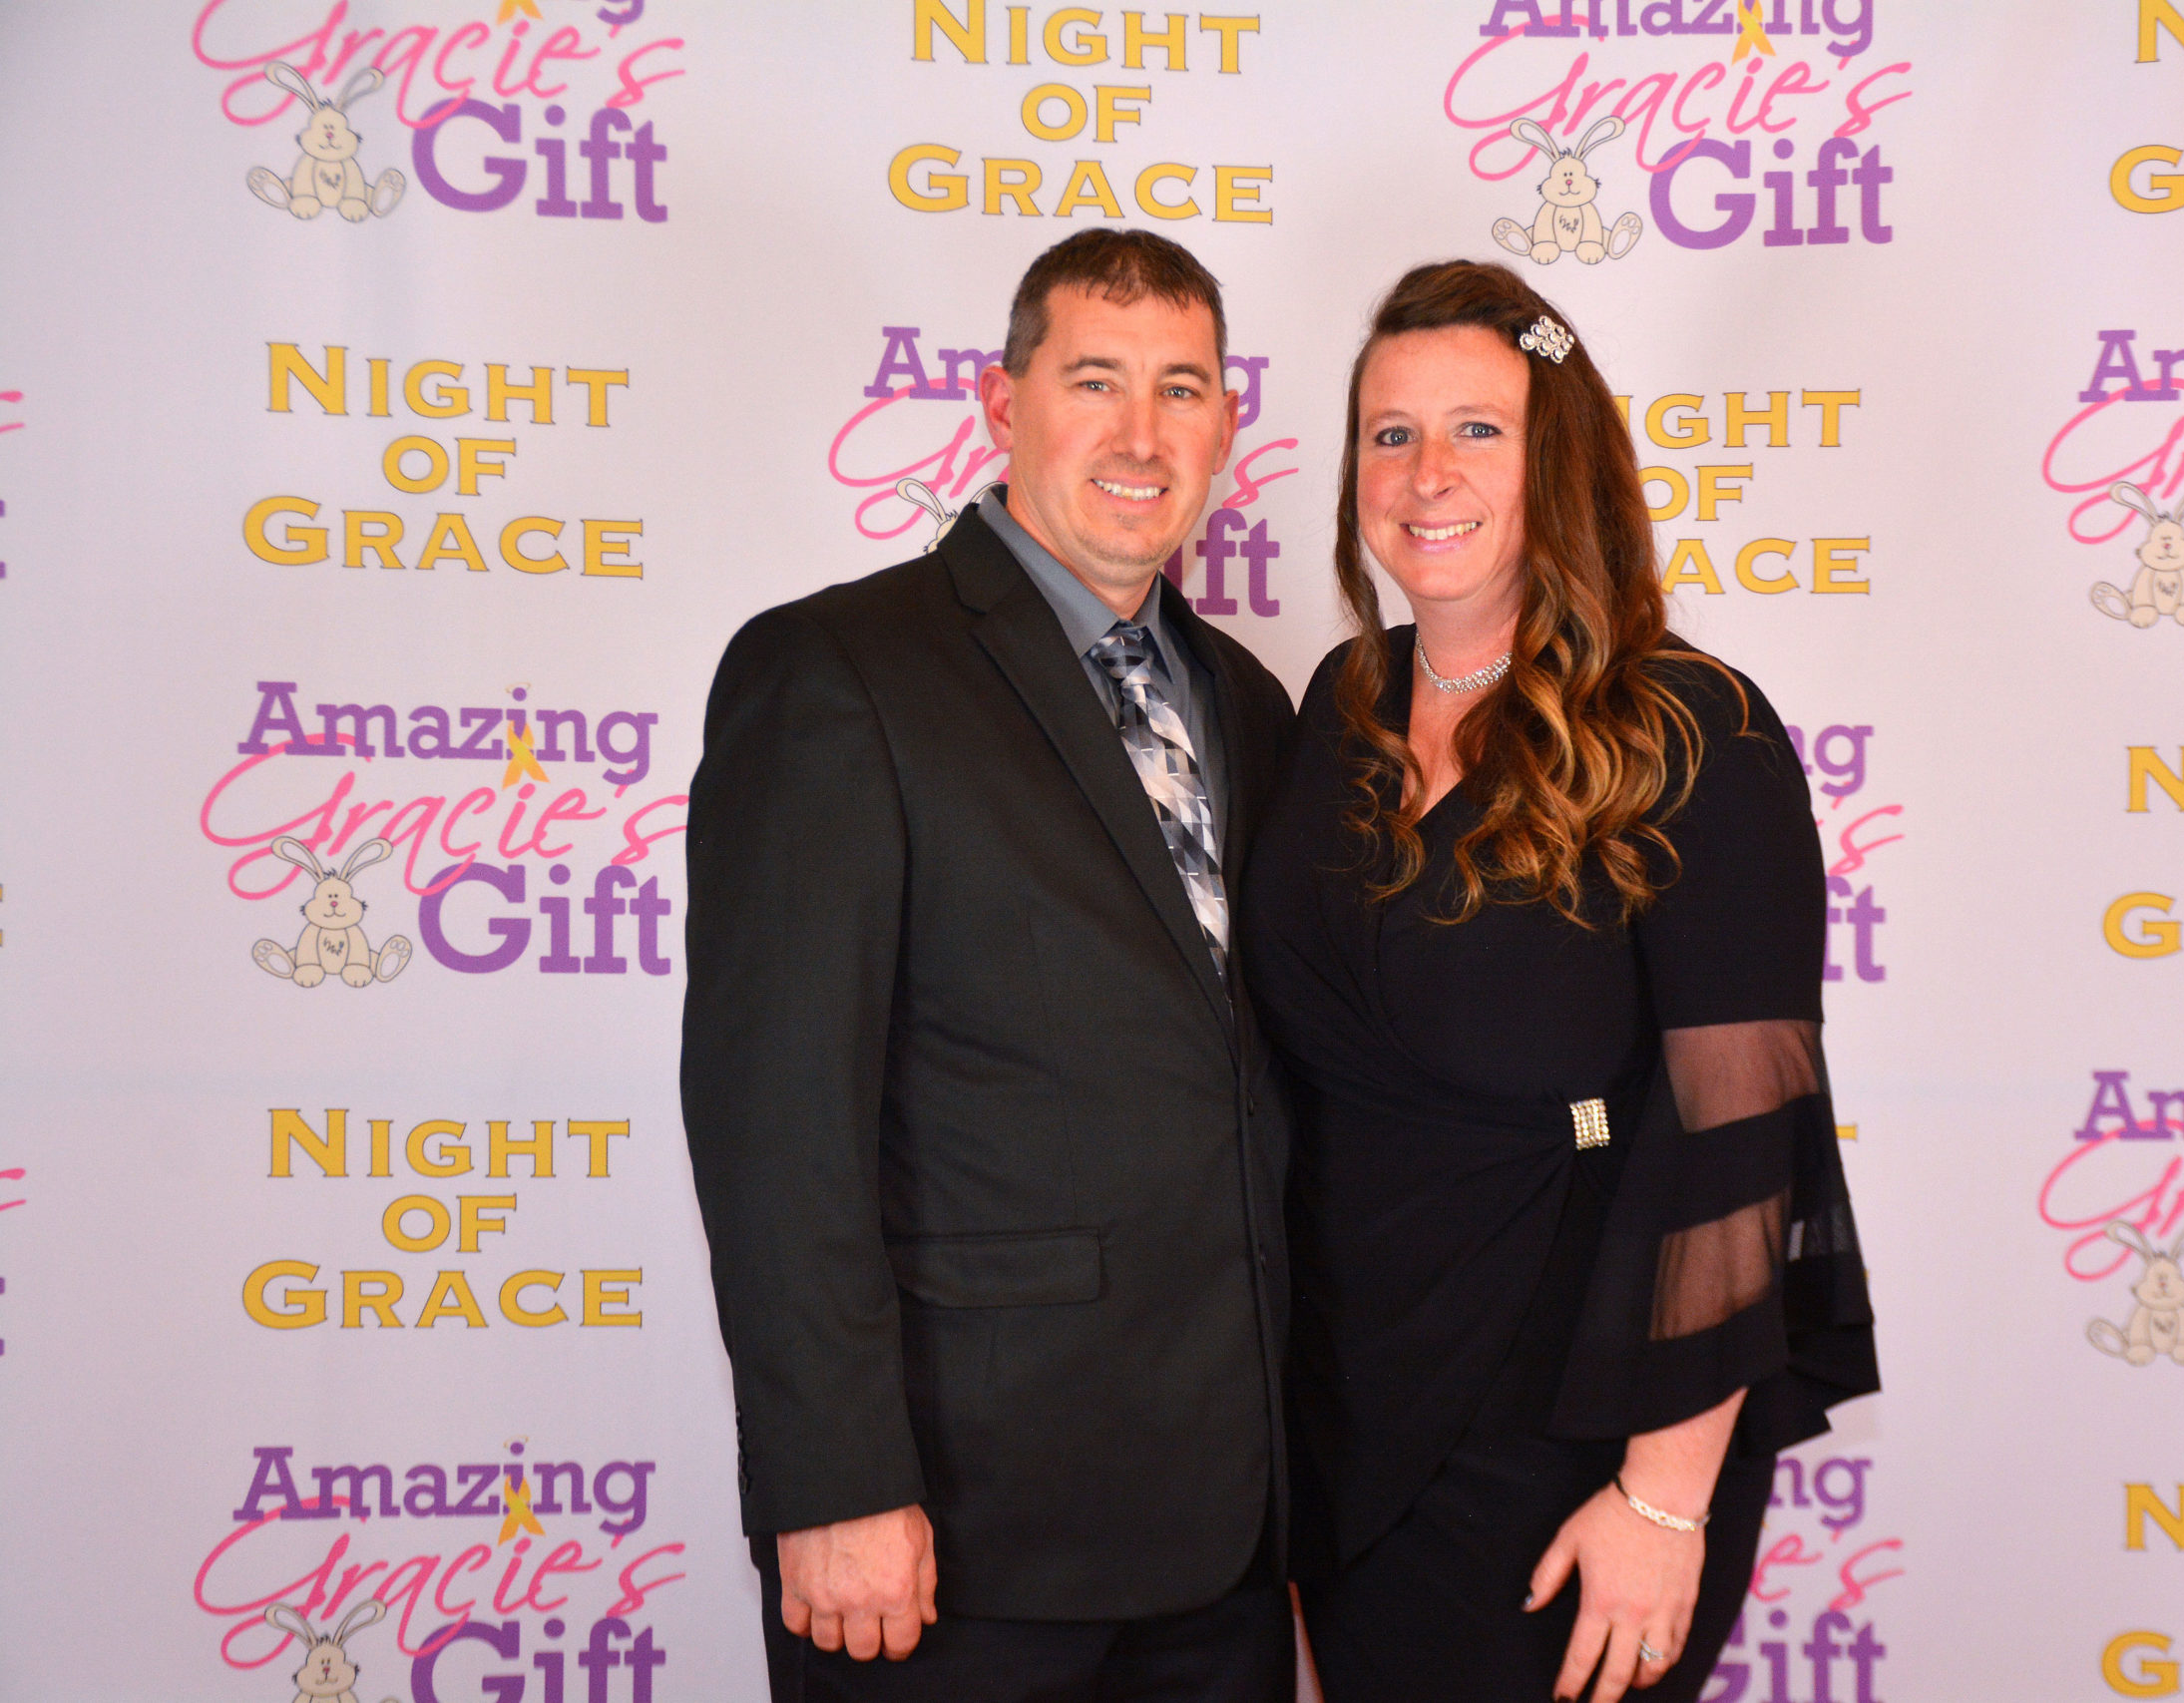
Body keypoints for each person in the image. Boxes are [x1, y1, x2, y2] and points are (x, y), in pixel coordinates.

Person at [1240, 260, 1879, 1703]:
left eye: (1479, 428)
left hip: (1579, 1433)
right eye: (1391, 433)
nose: (1427, 473)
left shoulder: (1691, 731)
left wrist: (1665, 1498)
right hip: (1345, 1410)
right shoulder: (1335, 713)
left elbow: (1742, 1131)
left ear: (1563, 458)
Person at [681, 228, 1299, 1703]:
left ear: (1226, 423)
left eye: (1181, 388)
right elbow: (776, 1120)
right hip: (957, 1539)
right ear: (999, 402)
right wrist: (834, 1482)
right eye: (1094, 381)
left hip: (1227, 1533)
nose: (1141, 435)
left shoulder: (1254, 702)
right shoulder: (838, 671)